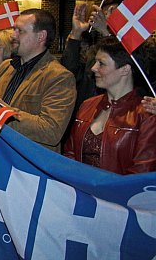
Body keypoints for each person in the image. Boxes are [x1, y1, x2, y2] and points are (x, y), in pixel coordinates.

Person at [0, 9, 76, 152]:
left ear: (41, 36)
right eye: (14, 29)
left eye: (20, 31)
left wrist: (3, 113)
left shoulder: (58, 77)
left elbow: (51, 131)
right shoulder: (6, 67)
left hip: (27, 165)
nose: (13, 35)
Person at [63, 37, 156, 174]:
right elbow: (70, 155)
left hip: (120, 194)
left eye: (101, 63)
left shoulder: (147, 113)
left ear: (125, 69)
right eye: (95, 62)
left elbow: (141, 172)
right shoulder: (87, 105)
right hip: (80, 191)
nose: (94, 68)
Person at [61, 0, 122, 111]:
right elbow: (69, 72)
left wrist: (106, 32)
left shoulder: (138, 53)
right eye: (103, 14)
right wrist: (76, 33)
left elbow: (124, 61)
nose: (105, 19)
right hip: (87, 111)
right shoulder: (94, 51)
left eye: (112, 14)